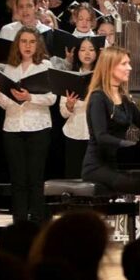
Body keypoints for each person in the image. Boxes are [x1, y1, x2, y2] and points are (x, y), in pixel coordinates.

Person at [81, 45, 140, 241]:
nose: (129, 68)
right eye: (124, 63)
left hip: (119, 163)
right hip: (98, 165)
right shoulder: (98, 97)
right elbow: (101, 137)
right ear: (110, 67)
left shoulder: (124, 99)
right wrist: (131, 146)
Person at [0, 27, 56, 226]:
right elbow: (3, 102)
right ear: (17, 44)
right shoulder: (10, 68)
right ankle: (19, 223)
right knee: (18, 179)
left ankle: (36, 223)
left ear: (38, 45)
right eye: (23, 41)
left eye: (31, 42)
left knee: (35, 179)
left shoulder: (45, 65)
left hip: (38, 127)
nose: (27, 46)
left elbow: (52, 98)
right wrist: (0, 93)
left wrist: (29, 97)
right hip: (12, 127)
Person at [59, 38, 99, 179]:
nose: (87, 53)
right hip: (74, 132)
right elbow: (63, 113)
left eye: (91, 49)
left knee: (95, 176)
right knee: (74, 176)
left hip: (96, 134)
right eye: (82, 49)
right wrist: (69, 106)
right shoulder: (69, 77)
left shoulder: (102, 78)